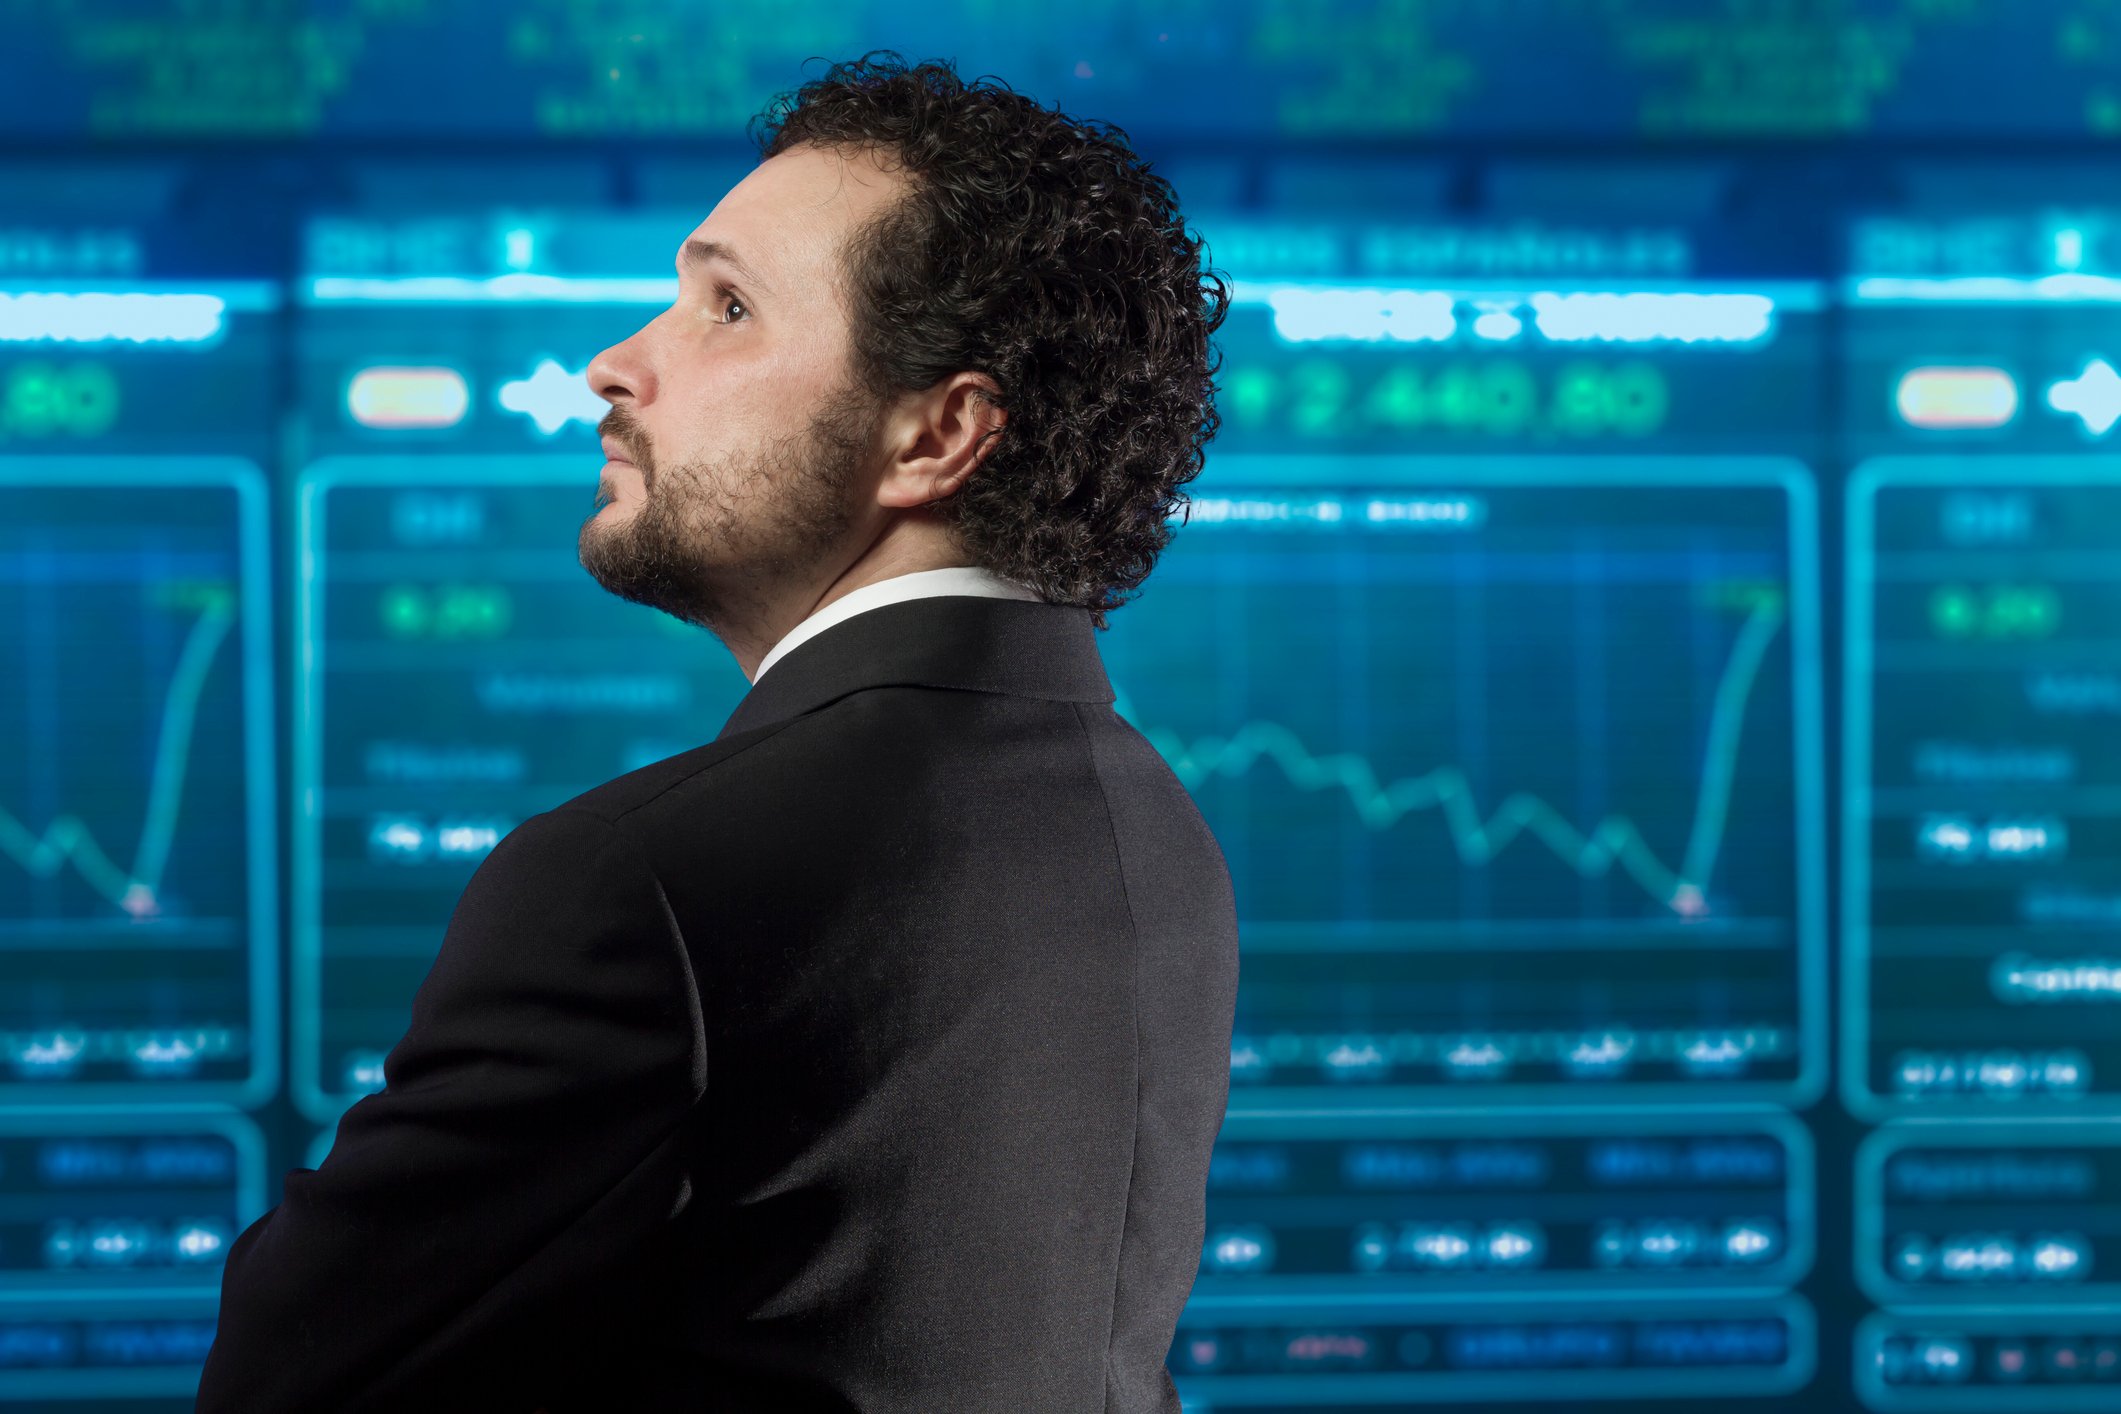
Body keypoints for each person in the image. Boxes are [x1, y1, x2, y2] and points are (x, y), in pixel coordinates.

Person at [197, 51, 1237, 1413]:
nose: (614, 364)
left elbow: (293, 1381)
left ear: (935, 436)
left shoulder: (645, 879)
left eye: (727, 306)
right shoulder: (1153, 827)